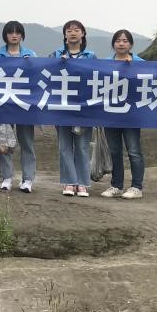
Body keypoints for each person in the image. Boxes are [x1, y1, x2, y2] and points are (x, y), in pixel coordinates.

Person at [49, 20, 97, 197]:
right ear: (65, 35)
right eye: (69, 30)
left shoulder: (91, 56)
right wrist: (57, 64)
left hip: (84, 109)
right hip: (61, 108)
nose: (73, 33)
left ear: (83, 34)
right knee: (64, 146)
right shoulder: (55, 54)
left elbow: (97, 77)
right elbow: (46, 74)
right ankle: (69, 182)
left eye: (77, 30)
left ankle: (82, 183)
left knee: (82, 147)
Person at [100, 29, 146, 200]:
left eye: (125, 41)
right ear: (113, 44)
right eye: (118, 40)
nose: (121, 43)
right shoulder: (105, 63)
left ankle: (136, 186)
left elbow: (152, 79)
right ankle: (116, 185)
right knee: (114, 151)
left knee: (134, 150)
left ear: (131, 44)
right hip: (111, 114)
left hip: (132, 114)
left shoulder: (141, 63)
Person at [0, 21, 37, 193]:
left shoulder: (30, 54)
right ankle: (6, 177)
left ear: (22, 35)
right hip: (4, 103)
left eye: (18, 32)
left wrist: (31, 64)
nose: (14, 35)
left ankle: (28, 179)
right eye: (11, 32)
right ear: (5, 35)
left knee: (26, 142)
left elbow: (37, 76)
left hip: (24, 104)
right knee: (5, 142)